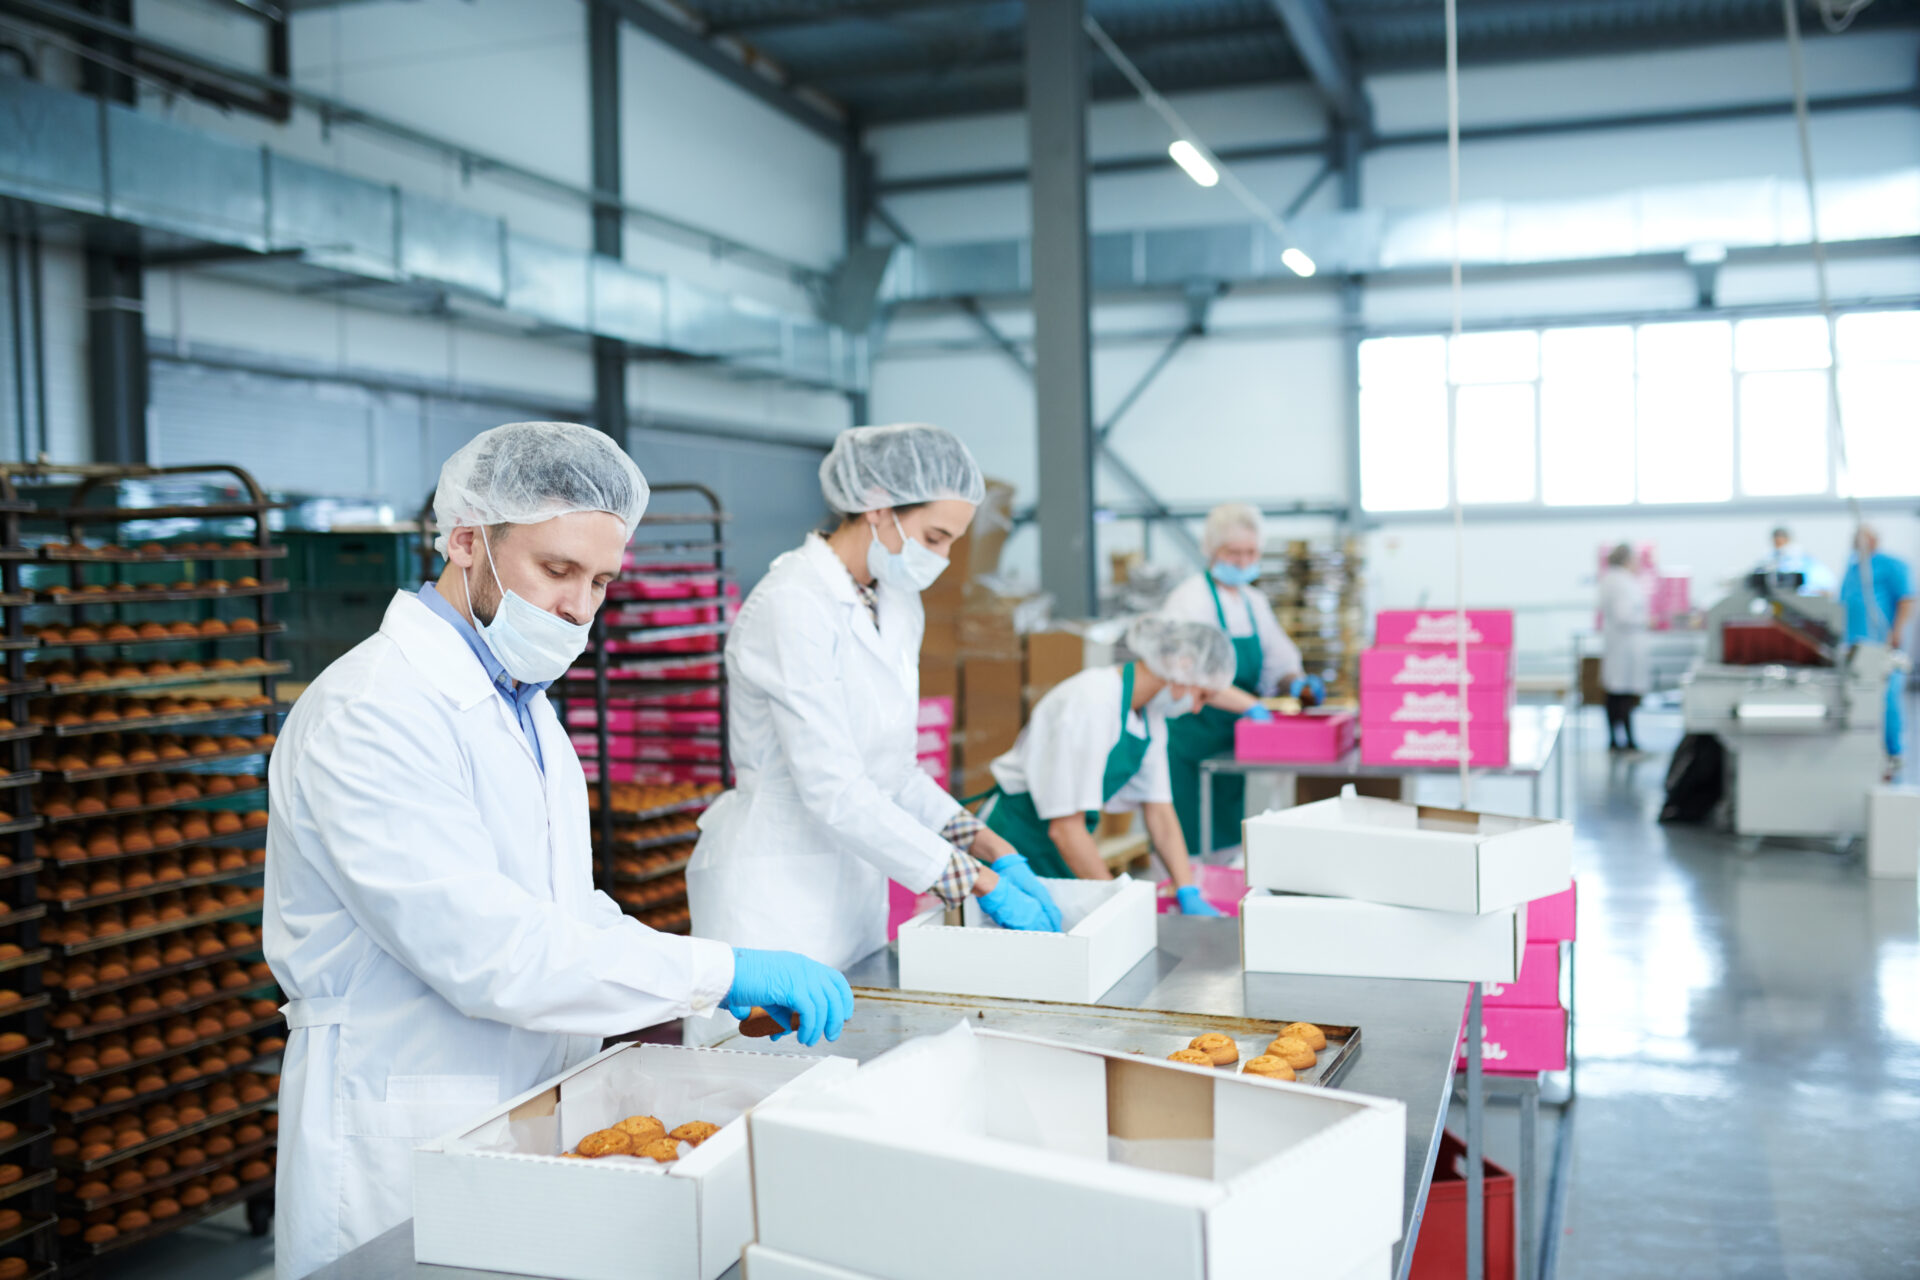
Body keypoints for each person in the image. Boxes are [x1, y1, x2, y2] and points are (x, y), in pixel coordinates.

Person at [265, 423, 851, 1280]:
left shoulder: (521, 703)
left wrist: (688, 987)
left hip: (516, 1100)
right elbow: (489, 949)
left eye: (602, 579)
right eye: (557, 570)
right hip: (398, 1119)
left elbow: (560, 910)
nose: (580, 607)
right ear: (467, 540)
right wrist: (718, 970)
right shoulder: (372, 711)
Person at [688, 423, 1058, 972]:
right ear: (878, 506)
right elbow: (834, 788)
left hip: (853, 889)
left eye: (953, 541)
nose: (947, 558)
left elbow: (897, 772)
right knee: (764, 1053)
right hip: (775, 894)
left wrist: (991, 848)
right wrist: (976, 882)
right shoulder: (792, 604)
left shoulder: (897, 601)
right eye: (935, 538)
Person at [980, 616, 1236, 915]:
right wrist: (1118, 908)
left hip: (1061, 848)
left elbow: (1160, 810)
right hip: (1015, 843)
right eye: (1201, 695)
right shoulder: (1092, 703)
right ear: (1182, 666)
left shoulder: (1149, 715)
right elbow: (1064, 829)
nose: (1196, 708)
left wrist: (1187, 888)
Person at [1160, 504, 1308, 855]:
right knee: (1189, 842)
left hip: (1236, 744)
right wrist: (1251, 705)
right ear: (1212, 551)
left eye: (1251, 552)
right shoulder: (1189, 601)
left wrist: (1297, 682)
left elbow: (1279, 661)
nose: (1243, 561)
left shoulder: (1254, 602)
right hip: (1191, 739)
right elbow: (1191, 675)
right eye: (1234, 552)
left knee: (1231, 841)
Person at [1839, 525, 1915, 773]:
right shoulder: (1852, 568)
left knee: (1886, 697)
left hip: (1879, 643)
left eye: (1862, 536)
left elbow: (1906, 599)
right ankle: (1863, 751)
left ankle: (1893, 753)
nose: (1857, 541)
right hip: (1853, 645)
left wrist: (1897, 631)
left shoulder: (1890, 565)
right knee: (1858, 697)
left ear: (1874, 539)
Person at [1598, 541, 1652, 753]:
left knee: (1617, 692)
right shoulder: (1621, 582)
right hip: (1624, 645)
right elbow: (1624, 616)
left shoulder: (1612, 579)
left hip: (1620, 645)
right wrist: (1647, 621)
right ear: (1627, 560)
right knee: (1621, 694)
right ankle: (1624, 740)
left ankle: (1619, 740)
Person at [1761, 525, 1836, 596]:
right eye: (1776, 540)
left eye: (1781, 538)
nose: (1778, 543)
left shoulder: (1800, 558)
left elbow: (1824, 583)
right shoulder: (1770, 557)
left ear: (1787, 539)